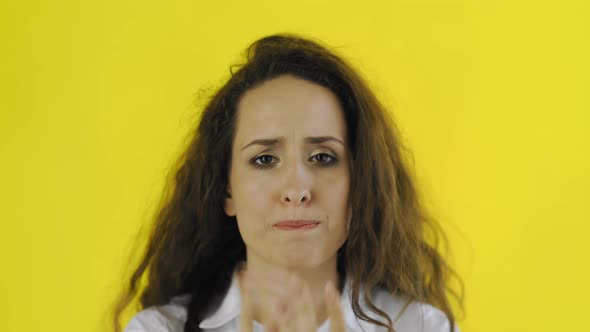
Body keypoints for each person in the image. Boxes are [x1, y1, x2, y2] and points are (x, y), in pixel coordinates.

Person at [112, 33, 463, 332]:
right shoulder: (157, 328)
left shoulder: (422, 326)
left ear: (360, 185)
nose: (297, 190)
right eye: (264, 159)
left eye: (323, 157)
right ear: (227, 190)